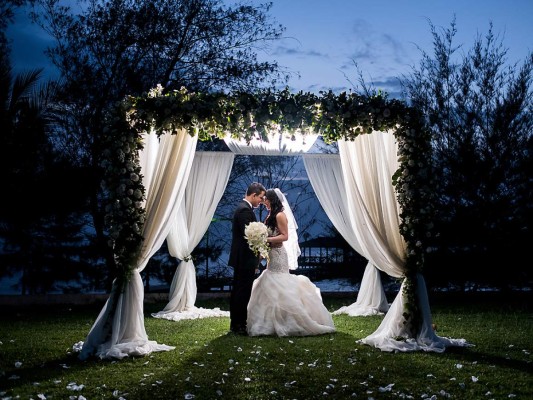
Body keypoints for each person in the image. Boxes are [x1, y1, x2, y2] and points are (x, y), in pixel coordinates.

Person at [246, 188, 336, 337]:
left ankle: (288, 320)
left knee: (279, 282)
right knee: (268, 282)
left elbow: (285, 236)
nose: (263, 203)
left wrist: (266, 239)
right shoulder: (270, 216)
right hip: (271, 254)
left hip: (279, 255)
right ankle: (267, 322)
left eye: (265, 200)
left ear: (271, 199)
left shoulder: (280, 215)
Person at [228, 182, 266, 335]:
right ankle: (239, 325)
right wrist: (260, 249)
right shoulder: (244, 210)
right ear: (253, 195)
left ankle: (236, 324)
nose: (261, 201)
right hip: (244, 259)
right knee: (242, 293)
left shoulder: (244, 208)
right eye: (261, 198)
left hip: (242, 258)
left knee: (239, 291)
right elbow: (249, 237)